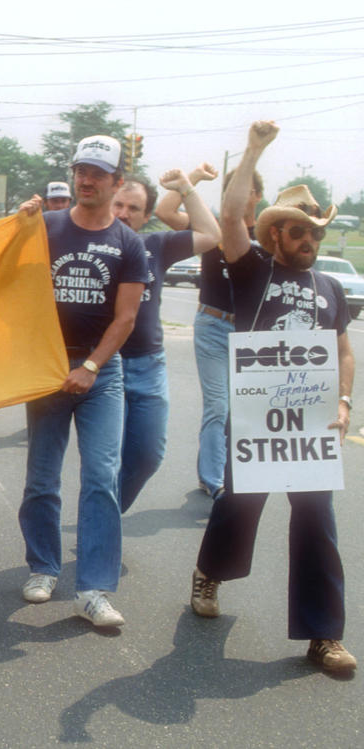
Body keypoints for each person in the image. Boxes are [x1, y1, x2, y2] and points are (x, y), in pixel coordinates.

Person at [190, 121, 356, 672]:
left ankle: (323, 633)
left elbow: (343, 351)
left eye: (316, 234)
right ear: (277, 235)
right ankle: (210, 572)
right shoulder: (253, 272)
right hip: (257, 418)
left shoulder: (331, 289)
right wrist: (256, 149)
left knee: (316, 518)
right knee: (240, 504)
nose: (310, 241)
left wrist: (344, 403)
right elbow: (234, 214)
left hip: (310, 426)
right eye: (299, 232)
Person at [17, 135, 147, 628]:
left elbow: (126, 318)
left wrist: (90, 367)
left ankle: (94, 589)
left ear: (116, 182)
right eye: (80, 171)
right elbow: (4, 274)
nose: (86, 180)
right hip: (48, 367)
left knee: (101, 477)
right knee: (42, 476)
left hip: (101, 373)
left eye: (97, 173)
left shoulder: (127, 243)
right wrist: (18, 225)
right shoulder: (46, 227)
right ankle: (44, 568)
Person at [111, 170, 221, 512]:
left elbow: (210, 234)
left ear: (146, 217)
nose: (123, 214)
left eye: (133, 208)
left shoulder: (154, 246)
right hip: (102, 366)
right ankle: (101, 525)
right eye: (118, 204)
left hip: (148, 365)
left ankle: (108, 512)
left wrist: (188, 186)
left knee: (147, 456)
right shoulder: (87, 241)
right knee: (105, 458)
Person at [155, 163, 252, 500]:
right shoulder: (210, 225)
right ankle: (215, 480)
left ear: (256, 195)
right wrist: (190, 181)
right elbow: (165, 211)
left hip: (248, 332)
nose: (240, 196)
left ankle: (218, 470)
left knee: (240, 407)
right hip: (212, 325)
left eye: (247, 188)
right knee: (218, 405)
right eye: (232, 189)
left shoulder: (268, 233)